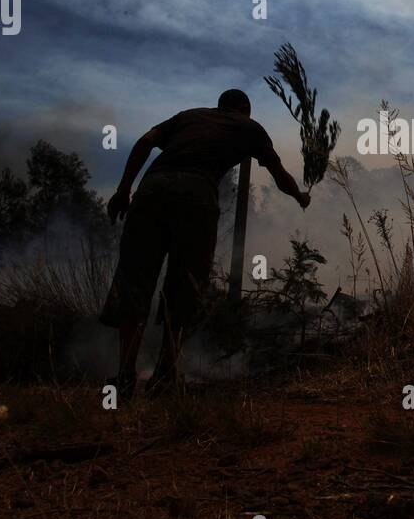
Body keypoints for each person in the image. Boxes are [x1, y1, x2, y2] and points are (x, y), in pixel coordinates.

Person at [100, 89, 310, 398]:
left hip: (151, 189)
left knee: (135, 281)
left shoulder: (189, 116)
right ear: (244, 109)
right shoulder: (248, 127)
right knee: (186, 286)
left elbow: (145, 142)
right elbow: (279, 175)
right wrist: (300, 196)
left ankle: (125, 377)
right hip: (196, 193)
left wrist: (122, 190)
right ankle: (166, 376)